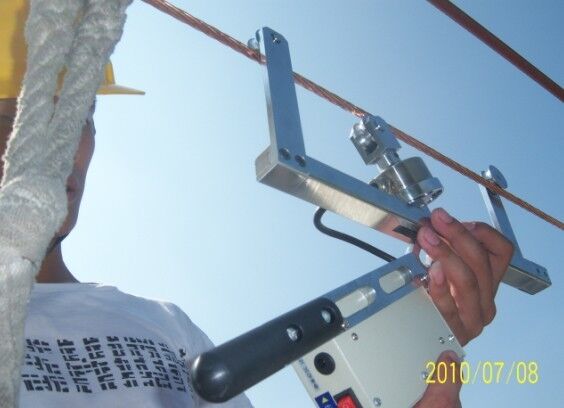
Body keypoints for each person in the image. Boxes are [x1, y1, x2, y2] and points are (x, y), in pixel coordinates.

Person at [0, 1, 513, 407]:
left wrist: (420, 343)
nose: (58, 146)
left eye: (78, 117)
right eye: (11, 116)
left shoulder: (165, 326)